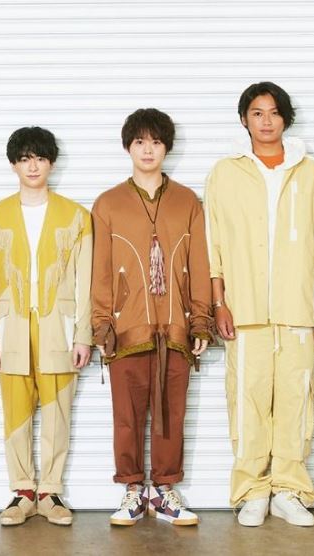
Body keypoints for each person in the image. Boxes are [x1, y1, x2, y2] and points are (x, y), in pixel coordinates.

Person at [204, 82, 314, 527]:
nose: (266, 121)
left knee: (297, 400)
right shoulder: (225, 173)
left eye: (274, 112)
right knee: (247, 401)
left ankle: (289, 490)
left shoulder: (312, 173)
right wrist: (219, 302)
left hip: (298, 306)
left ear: (286, 118)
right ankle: (252, 491)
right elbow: (213, 243)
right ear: (244, 119)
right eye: (257, 113)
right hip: (244, 309)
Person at [91, 108, 211, 527]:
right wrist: (101, 324)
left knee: (171, 414)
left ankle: (164, 490)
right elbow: (101, 271)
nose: (148, 150)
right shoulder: (108, 203)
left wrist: (200, 319)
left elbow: (199, 264)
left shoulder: (187, 201)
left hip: (176, 328)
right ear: (128, 147)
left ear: (166, 148)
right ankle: (131, 490)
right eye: (140, 141)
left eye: (156, 142)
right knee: (126, 416)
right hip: (126, 329)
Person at [0, 126, 91, 526]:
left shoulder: (76, 217)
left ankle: (51, 492)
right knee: (15, 411)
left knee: (58, 410)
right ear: (13, 164)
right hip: (11, 328)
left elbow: (85, 281)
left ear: (52, 163)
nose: (33, 166)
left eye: (40, 158)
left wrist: (83, 334)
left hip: (59, 327)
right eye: (25, 159)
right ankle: (22, 491)